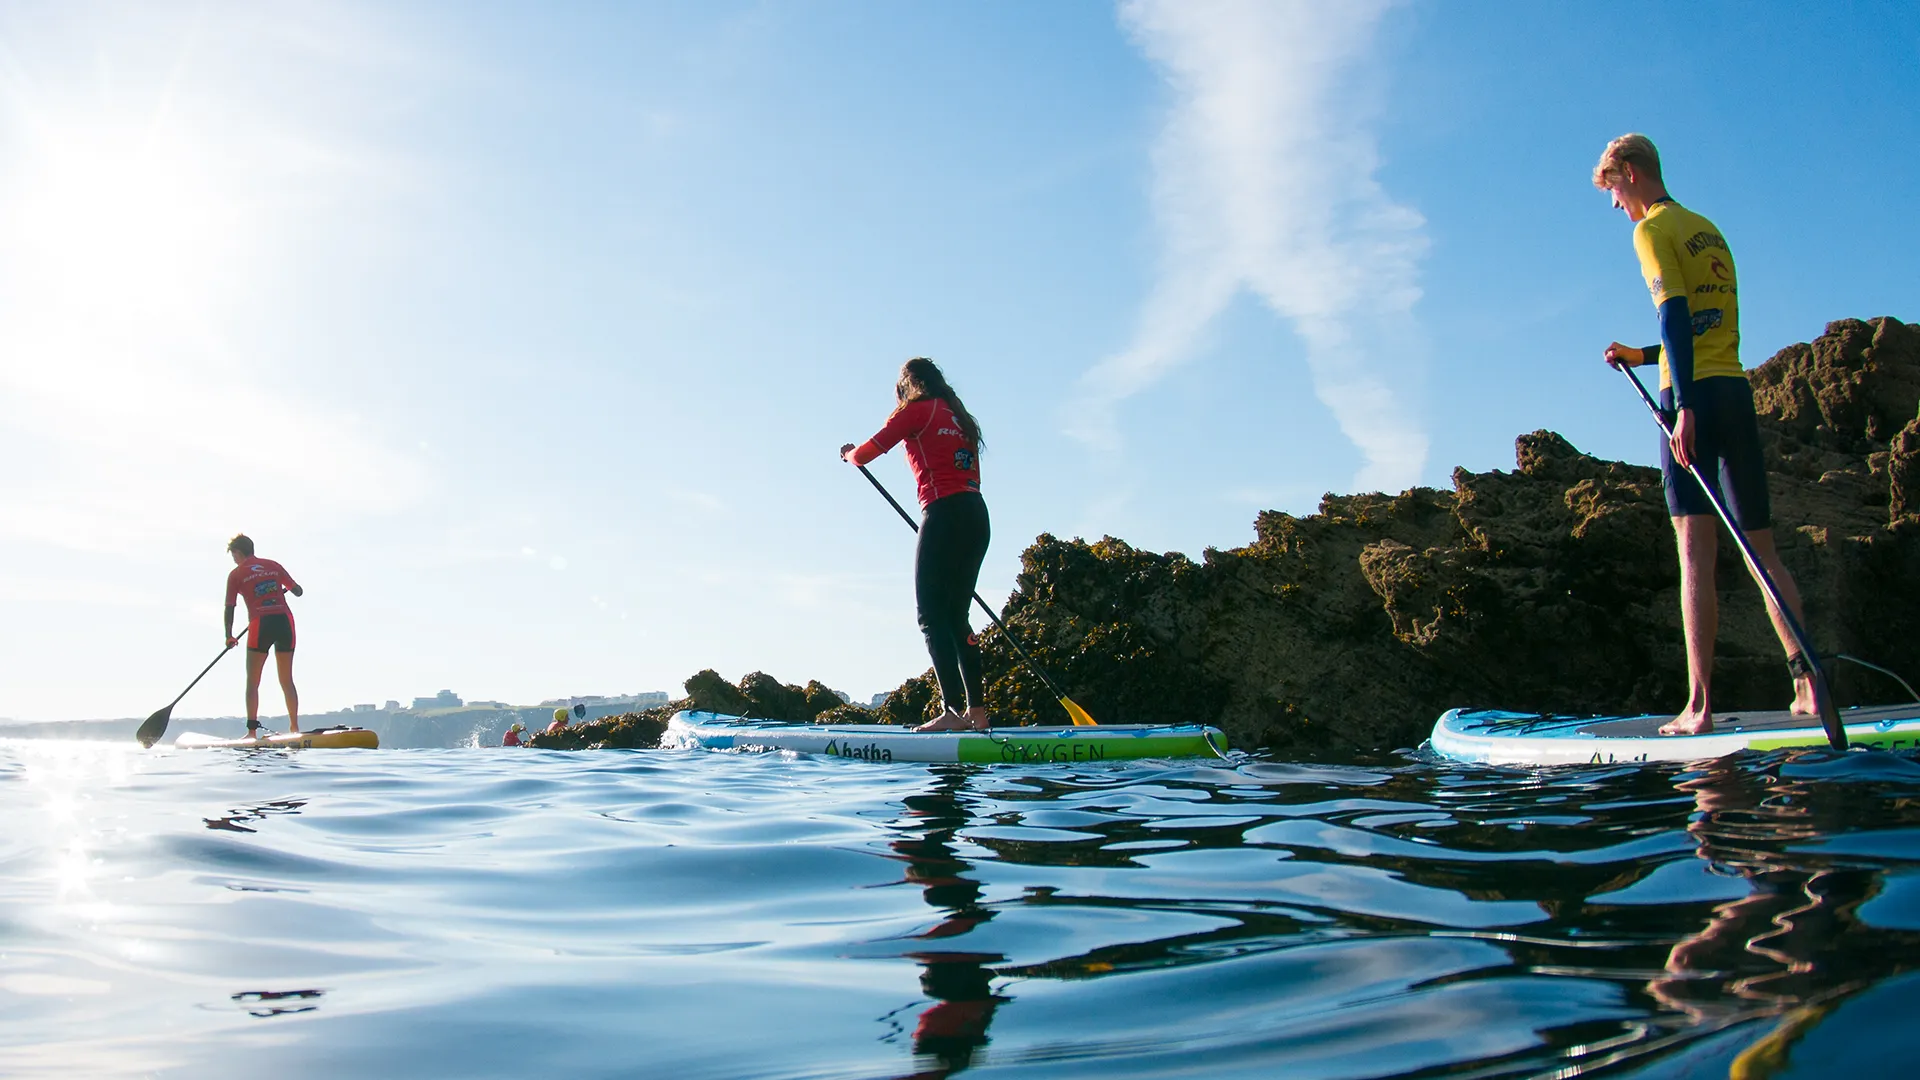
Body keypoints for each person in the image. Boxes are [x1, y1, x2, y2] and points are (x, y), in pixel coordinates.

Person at [1593, 133, 1819, 736]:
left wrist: (1683, 406)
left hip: (1689, 400)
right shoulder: (1706, 229)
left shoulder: (1650, 231)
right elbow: (1699, 325)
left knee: (1695, 554)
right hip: (1733, 393)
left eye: (1613, 188)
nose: (1616, 206)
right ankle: (1809, 690)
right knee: (1762, 550)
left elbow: (1672, 314)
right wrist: (1638, 355)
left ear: (1633, 174)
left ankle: (1699, 707)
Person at [841, 357, 991, 733]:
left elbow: (866, 453)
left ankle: (952, 712)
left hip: (943, 515)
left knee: (930, 617)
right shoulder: (961, 417)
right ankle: (978, 712)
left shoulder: (916, 411)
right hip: (976, 515)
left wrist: (847, 454)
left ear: (907, 385)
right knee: (957, 617)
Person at [224, 534, 304, 734]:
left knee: (252, 682)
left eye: (233, 554)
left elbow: (230, 607)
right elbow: (298, 591)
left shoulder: (235, 575)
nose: (233, 559)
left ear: (238, 552)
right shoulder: (273, 565)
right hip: (285, 622)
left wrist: (229, 635)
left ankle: (251, 732)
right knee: (287, 680)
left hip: (261, 624)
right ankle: (294, 728)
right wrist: (284, 588)